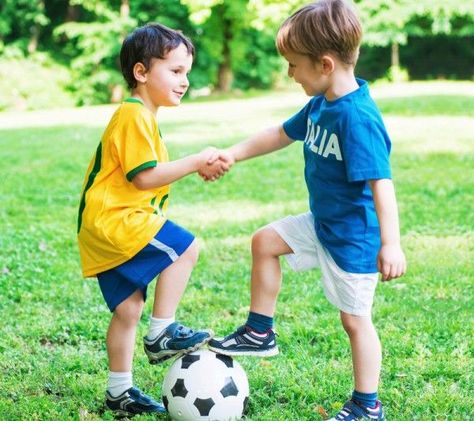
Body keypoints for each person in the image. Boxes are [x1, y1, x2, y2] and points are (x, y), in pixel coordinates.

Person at [203, 1, 407, 419]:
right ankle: (260, 331)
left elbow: (381, 185)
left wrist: (392, 244)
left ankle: (367, 406)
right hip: (322, 224)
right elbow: (280, 134)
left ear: (325, 63)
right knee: (265, 241)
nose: (290, 74)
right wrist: (233, 154)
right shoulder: (321, 104)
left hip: (353, 239)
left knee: (355, 322)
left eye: (294, 65)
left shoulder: (357, 118)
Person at [77, 23, 226, 417]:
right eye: (175, 71)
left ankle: (119, 392)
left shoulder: (142, 117)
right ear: (141, 72)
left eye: (187, 73)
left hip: (101, 227)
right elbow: (143, 177)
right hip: (117, 221)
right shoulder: (134, 115)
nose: (185, 81)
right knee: (186, 247)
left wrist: (194, 166)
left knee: (127, 310)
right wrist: (196, 162)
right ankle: (162, 332)